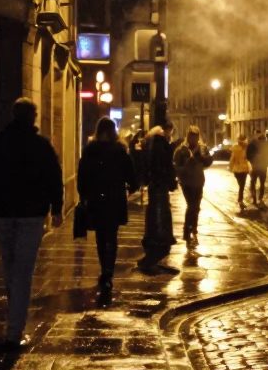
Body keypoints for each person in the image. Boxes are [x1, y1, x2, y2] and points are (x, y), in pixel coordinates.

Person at [0, 98, 63, 350]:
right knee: (23, 270)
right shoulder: (41, 146)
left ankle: (14, 319)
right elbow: (54, 178)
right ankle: (15, 331)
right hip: (31, 215)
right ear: (33, 117)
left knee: (10, 265)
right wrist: (56, 209)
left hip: (3, 213)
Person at [77, 117, 138, 307]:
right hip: (114, 199)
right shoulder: (119, 151)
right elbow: (132, 177)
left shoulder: (90, 151)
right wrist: (130, 188)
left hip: (96, 199)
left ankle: (105, 270)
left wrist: (84, 195)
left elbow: (82, 176)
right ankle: (108, 272)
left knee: (101, 238)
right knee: (111, 236)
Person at [141, 122, 178, 256]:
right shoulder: (162, 145)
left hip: (154, 183)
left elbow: (146, 164)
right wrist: (171, 181)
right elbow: (167, 165)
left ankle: (152, 235)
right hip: (161, 183)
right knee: (162, 209)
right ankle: (162, 236)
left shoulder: (149, 145)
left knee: (153, 209)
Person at [174, 125, 213, 242]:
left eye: (195, 137)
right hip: (186, 182)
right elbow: (176, 166)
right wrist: (188, 163)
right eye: (191, 137)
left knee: (196, 206)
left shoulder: (203, 148)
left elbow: (209, 161)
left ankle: (194, 226)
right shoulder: (181, 149)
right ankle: (186, 230)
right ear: (188, 136)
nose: (193, 139)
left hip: (199, 180)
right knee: (191, 206)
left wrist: (202, 158)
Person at [249, 130, 268, 207]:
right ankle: (260, 198)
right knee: (262, 183)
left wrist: (252, 161)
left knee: (253, 182)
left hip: (255, 166)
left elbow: (248, 155)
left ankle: (254, 199)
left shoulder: (252, 143)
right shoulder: (266, 143)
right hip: (262, 166)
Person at [229, 135, 251, 211]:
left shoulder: (235, 148)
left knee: (241, 186)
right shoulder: (246, 148)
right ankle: (240, 200)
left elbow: (232, 159)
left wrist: (230, 167)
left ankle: (240, 200)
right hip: (243, 170)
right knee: (242, 186)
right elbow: (247, 159)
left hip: (237, 170)